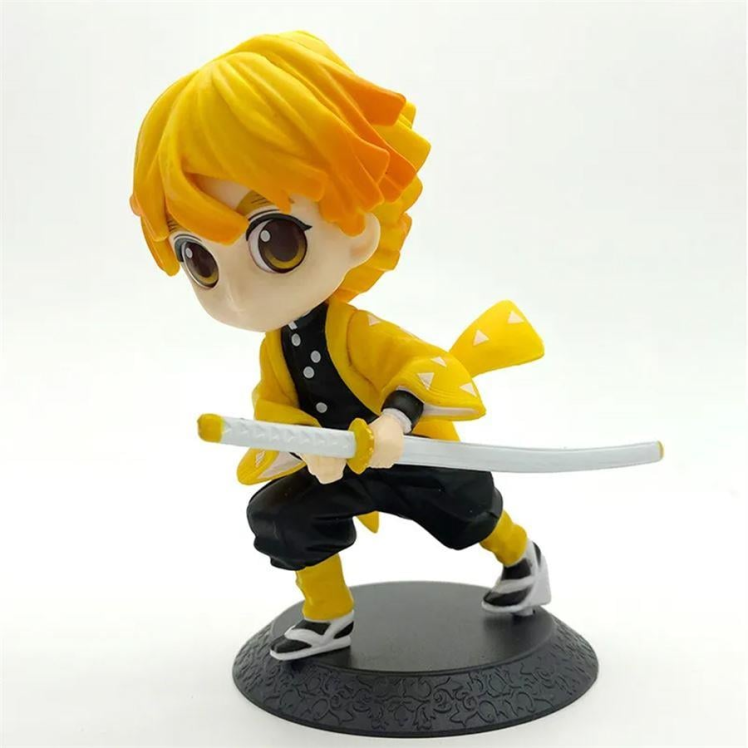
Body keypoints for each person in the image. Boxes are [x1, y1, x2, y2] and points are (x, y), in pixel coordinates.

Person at [131, 31, 550, 661]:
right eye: (199, 258)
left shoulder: (357, 332)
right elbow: (274, 407)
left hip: (414, 455)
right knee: (284, 513)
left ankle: (522, 559)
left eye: (275, 242)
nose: (237, 295)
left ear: (357, 231)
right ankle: (328, 612)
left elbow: (420, 365)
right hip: (344, 468)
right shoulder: (277, 350)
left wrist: (395, 421)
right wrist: (304, 444)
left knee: (471, 511)